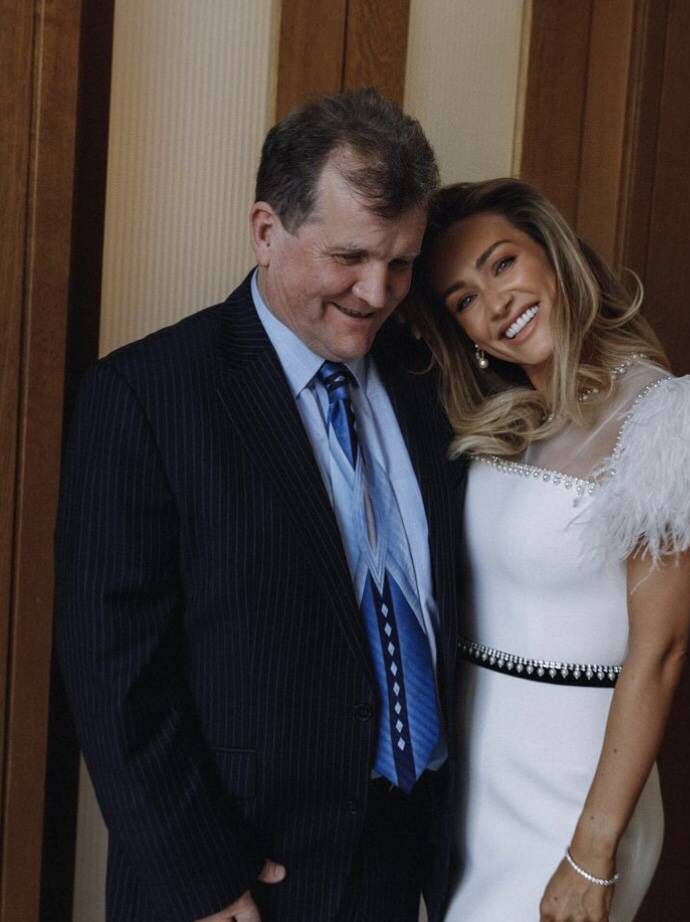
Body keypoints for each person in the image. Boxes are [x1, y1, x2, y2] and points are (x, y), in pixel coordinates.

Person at [55, 88, 464, 922]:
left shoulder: (430, 381)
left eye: (401, 262)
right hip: (238, 875)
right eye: (350, 256)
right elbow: (114, 673)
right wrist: (203, 881)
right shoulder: (145, 395)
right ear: (267, 230)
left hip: (397, 867)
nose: (377, 291)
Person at [404, 178, 690, 922]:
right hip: (476, 787)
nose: (496, 304)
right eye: (464, 299)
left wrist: (593, 848)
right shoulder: (501, 420)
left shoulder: (665, 417)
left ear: (553, 255)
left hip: (575, 796)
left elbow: (662, 650)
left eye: (503, 263)